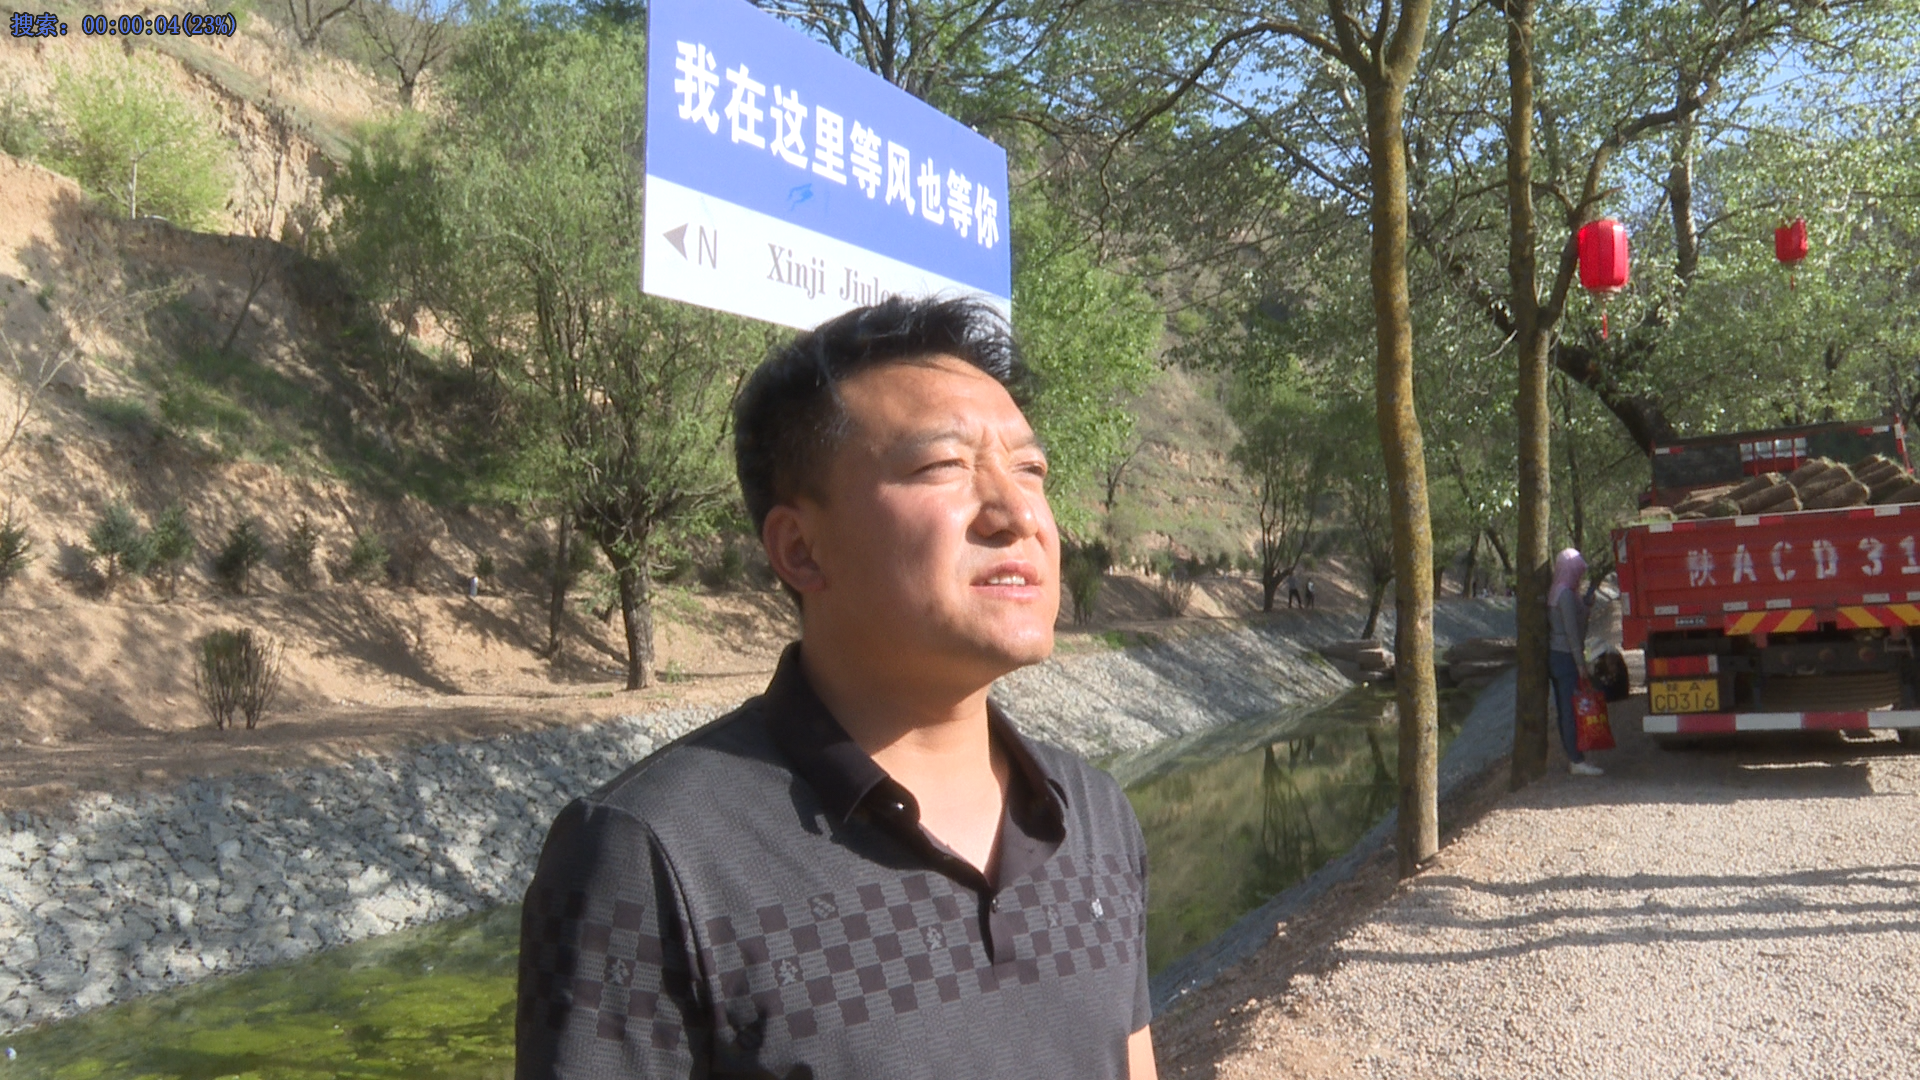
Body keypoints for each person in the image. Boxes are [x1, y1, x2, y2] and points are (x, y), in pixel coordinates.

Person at [516, 297, 1157, 1080]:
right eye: (944, 466)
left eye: (1030, 470)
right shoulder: (646, 854)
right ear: (800, 550)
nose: (1019, 512)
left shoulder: (1093, 816)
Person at [1548, 547, 1603, 776]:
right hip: (1566, 657)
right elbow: (1573, 633)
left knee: (1565, 708)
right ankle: (1576, 759)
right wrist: (1581, 664)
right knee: (1570, 709)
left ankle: (1573, 754)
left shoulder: (1557, 591)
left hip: (1557, 655)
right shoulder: (1566, 595)